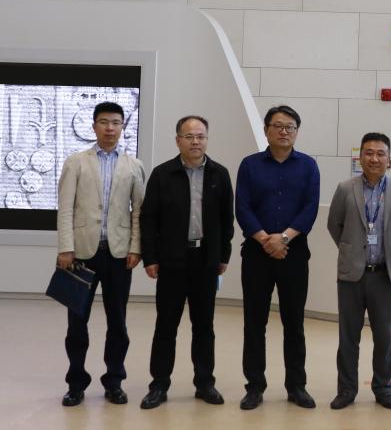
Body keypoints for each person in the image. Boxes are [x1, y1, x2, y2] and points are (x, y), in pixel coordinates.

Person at [139, 115, 234, 409]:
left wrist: (223, 256)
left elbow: (226, 220)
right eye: (189, 136)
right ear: (178, 140)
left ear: (207, 139)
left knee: (204, 326)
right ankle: (159, 385)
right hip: (171, 261)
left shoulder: (219, 174)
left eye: (201, 136)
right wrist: (150, 257)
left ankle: (205, 383)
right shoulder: (162, 174)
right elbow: (148, 219)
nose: (195, 142)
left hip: (205, 260)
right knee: (166, 325)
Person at [55, 101, 146, 406]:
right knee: (76, 323)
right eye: (104, 122)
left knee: (117, 322)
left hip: (119, 255)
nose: (110, 128)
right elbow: (65, 208)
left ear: (122, 127)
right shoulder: (76, 162)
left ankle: (114, 381)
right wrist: (66, 247)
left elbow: (139, 211)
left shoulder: (133, 165)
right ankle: (76, 383)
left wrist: (135, 247)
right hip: (81, 254)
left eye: (116, 122)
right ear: (94, 126)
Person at [235, 105, 320, 410]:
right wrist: (265, 239)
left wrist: (283, 238)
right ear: (266, 130)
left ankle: (296, 386)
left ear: (297, 131)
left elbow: (310, 208)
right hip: (256, 254)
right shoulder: (250, 165)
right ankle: (254, 387)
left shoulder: (308, 165)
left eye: (290, 127)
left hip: (293, 253)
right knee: (254, 323)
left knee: (294, 323)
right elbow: (242, 207)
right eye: (278, 126)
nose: (284, 132)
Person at [326, 132, 391, 410]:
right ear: (360, 157)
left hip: (384, 275)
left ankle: (383, 388)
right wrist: (353, 252)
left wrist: (388, 252)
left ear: (389, 159)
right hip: (351, 275)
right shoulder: (344, 188)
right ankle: (346, 389)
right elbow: (334, 225)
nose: (374, 158)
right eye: (369, 153)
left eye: (380, 153)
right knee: (348, 337)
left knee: (384, 337)